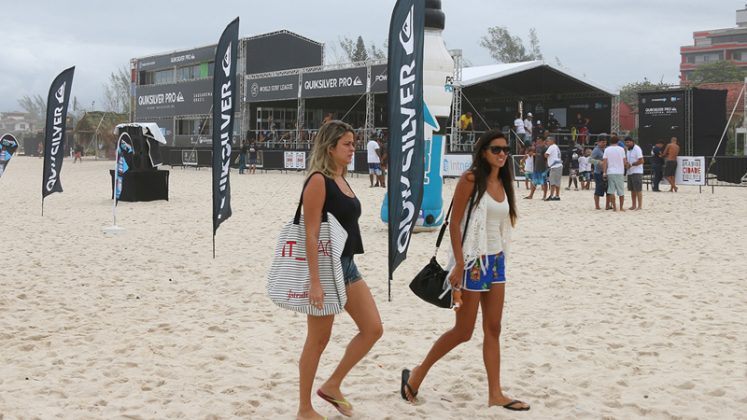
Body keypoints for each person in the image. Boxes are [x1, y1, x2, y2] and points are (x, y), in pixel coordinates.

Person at [400, 130, 529, 412]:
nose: (502, 154)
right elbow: (455, 224)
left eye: (506, 150)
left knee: (493, 328)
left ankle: (495, 393)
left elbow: (500, 225)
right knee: (463, 331)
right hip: (472, 263)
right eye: (496, 149)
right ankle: (418, 373)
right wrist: (459, 264)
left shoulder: (504, 182)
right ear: (483, 152)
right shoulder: (471, 179)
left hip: (496, 262)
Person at [297, 120, 383, 420]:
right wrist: (315, 282)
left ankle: (332, 385)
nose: (352, 148)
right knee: (318, 340)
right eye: (346, 144)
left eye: (353, 142)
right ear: (330, 147)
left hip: (347, 265)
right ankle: (304, 409)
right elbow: (310, 233)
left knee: (373, 328)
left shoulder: (341, 178)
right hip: (323, 267)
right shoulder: (318, 180)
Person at [602, 136, 628, 212]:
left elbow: (605, 162)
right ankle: (621, 207)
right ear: (618, 141)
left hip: (610, 172)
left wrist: (604, 172)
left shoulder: (607, 149)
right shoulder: (621, 149)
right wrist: (626, 167)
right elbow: (624, 161)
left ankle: (614, 207)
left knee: (611, 190)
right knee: (621, 191)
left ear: (610, 142)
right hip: (620, 172)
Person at [625, 136, 644, 210]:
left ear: (632, 142)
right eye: (626, 142)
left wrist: (632, 164)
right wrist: (626, 164)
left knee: (638, 189)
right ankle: (633, 205)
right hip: (630, 172)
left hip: (637, 172)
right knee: (632, 190)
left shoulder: (637, 149)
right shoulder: (628, 150)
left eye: (628, 142)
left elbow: (642, 160)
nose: (627, 144)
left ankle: (639, 206)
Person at [589, 135, 608, 210]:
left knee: (608, 190)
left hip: (606, 172)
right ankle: (597, 206)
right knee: (598, 189)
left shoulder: (606, 149)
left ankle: (607, 205)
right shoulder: (596, 150)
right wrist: (599, 162)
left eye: (605, 142)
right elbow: (590, 160)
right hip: (598, 172)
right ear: (598, 142)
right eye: (603, 142)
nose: (604, 144)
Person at [544, 136, 562, 201]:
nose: (547, 142)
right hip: (558, 166)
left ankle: (551, 196)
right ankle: (557, 196)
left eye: (548, 141)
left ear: (552, 141)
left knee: (552, 182)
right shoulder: (556, 146)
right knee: (557, 182)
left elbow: (546, 155)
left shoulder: (551, 147)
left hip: (554, 167)